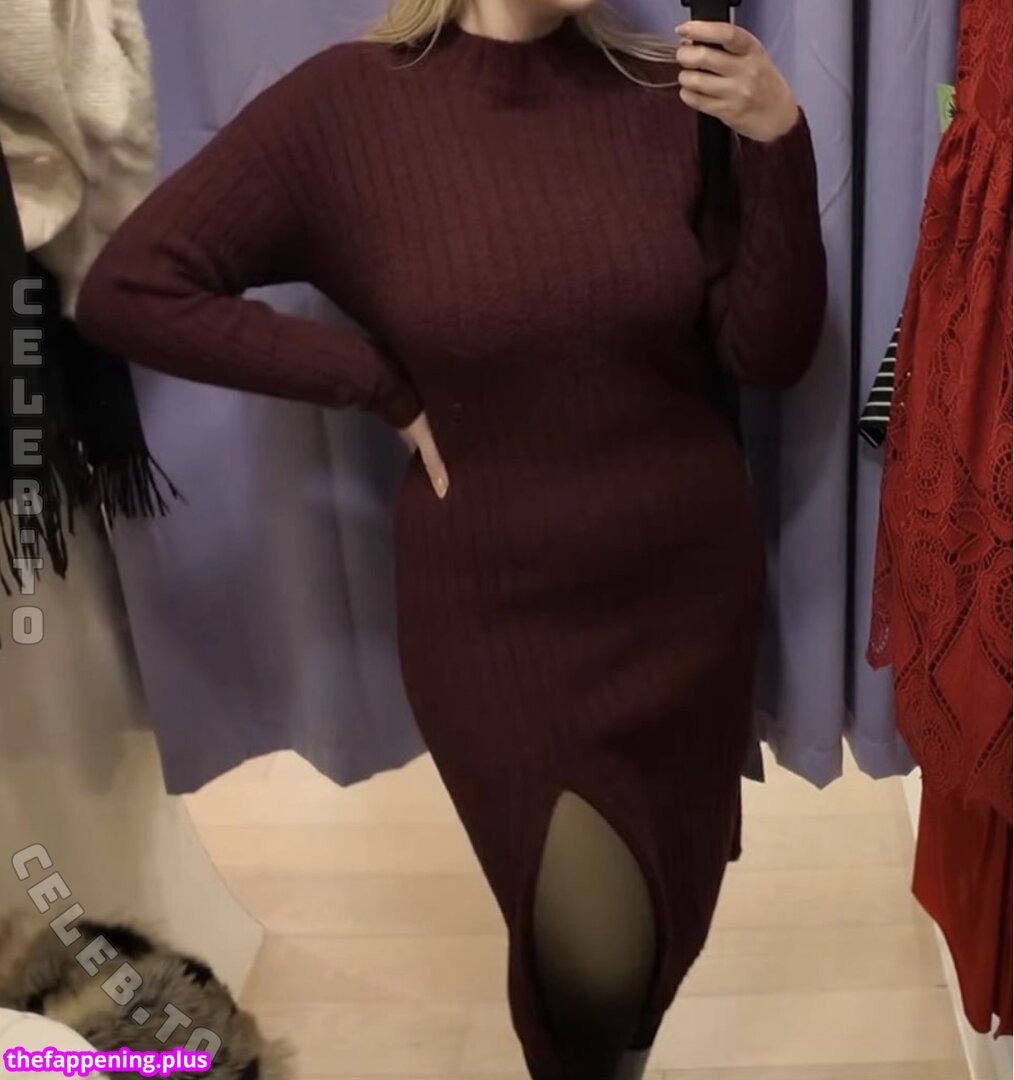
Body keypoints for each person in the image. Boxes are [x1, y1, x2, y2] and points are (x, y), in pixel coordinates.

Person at [74, 0, 826, 1076]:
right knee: (592, 965)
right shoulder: (345, 108)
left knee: (654, 947)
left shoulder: (669, 95)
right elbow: (132, 288)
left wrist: (779, 141)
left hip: (689, 603)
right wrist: (370, 382)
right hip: (499, 619)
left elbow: (768, 353)